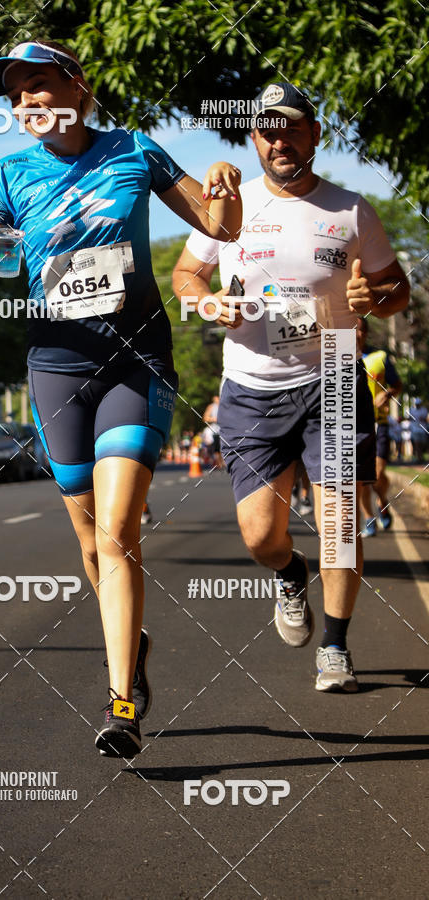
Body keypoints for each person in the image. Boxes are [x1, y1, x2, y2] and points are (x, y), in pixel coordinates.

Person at [0, 40, 242, 758]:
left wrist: (225, 185)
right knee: (88, 541)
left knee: (117, 531)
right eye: (17, 95)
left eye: (42, 85)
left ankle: (121, 705)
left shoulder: (134, 150)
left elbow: (219, 226)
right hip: (55, 368)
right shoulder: (6, 176)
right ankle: (133, 639)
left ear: (78, 89)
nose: (29, 103)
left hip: (133, 361)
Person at [172, 81, 409, 693]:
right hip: (251, 384)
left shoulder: (350, 210)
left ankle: (334, 646)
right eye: (267, 130)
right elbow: (186, 275)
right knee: (259, 536)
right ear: (254, 138)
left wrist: (373, 298)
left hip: (332, 369)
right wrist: (209, 304)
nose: (279, 139)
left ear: (314, 135)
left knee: (338, 523)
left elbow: (395, 289)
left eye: (292, 128)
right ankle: (288, 571)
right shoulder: (231, 209)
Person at [356, 316, 402, 536]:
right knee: (363, 480)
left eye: (359, 330)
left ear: (365, 332)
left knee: (377, 473)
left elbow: (397, 384)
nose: (355, 334)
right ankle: (369, 519)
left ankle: (382, 500)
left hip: (379, 424)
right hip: (354, 426)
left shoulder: (380, 357)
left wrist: (388, 394)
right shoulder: (337, 358)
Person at [203, 395, 224, 467]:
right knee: (217, 448)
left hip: (226, 430)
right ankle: (219, 462)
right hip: (216, 431)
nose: (217, 400)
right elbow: (205, 418)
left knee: (224, 446)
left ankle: (223, 461)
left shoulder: (225, 405)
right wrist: (214, 419)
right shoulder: (211, 407)